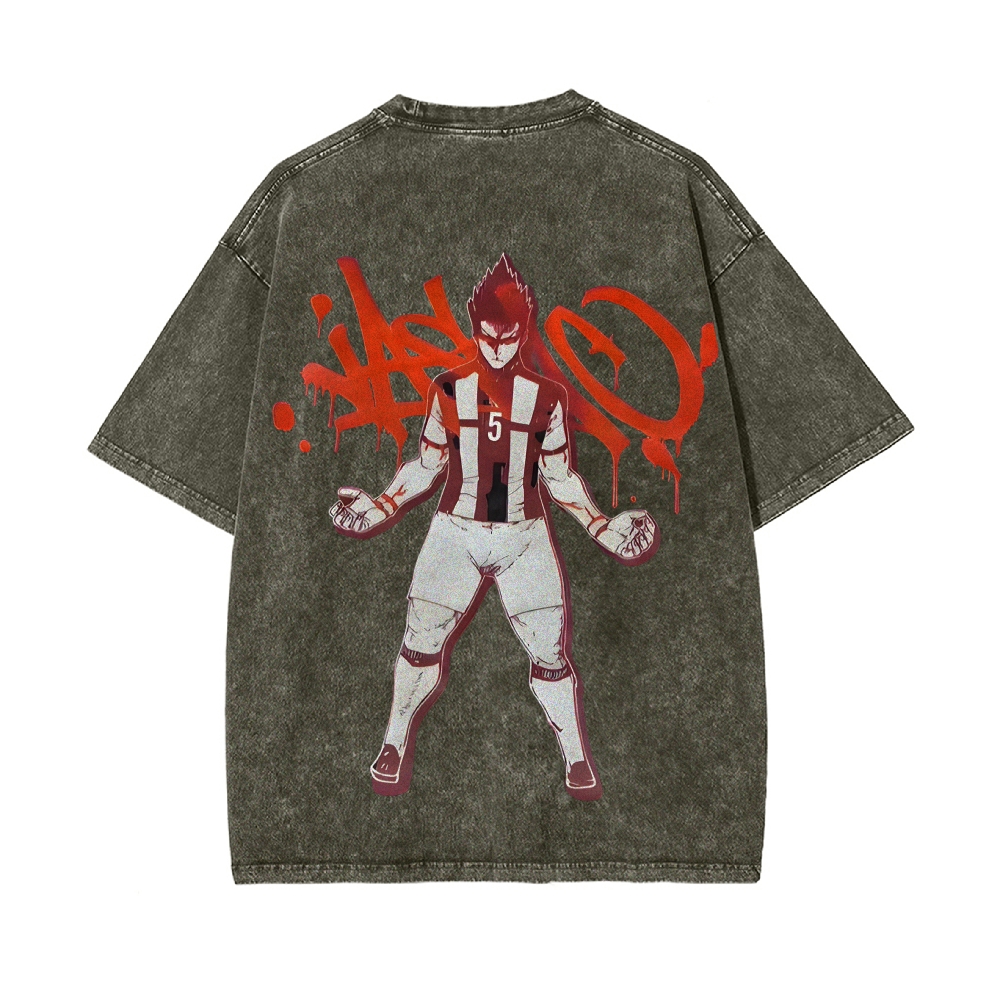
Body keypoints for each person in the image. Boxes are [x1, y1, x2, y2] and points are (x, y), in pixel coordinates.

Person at [330, 254, 659, 800]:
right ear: (474, 328)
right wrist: (381, 504)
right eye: (488, 337)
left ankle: (576, 757)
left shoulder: (547, 398)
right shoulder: (447, 389)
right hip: (455, 532)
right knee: (419, 640)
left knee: (550, 652)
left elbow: (559, 476)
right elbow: (428, 465)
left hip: (524, 536)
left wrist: (601, 525)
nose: (498, 349)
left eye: (508, 339)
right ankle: (392, 742)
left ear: (523, 332)